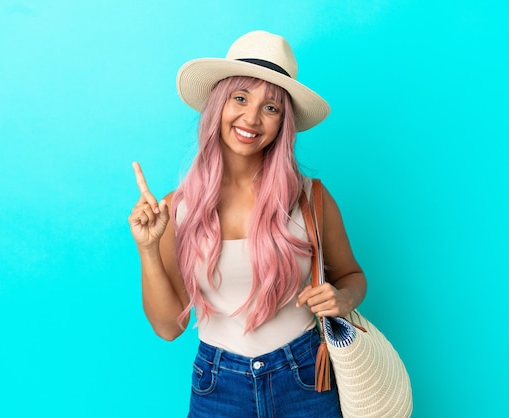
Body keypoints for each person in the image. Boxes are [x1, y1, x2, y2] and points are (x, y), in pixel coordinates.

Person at [128, 30, 367, 418]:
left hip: (305, 376)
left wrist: (343, 300)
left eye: (271, 108)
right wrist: (148, 249)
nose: (252, 118)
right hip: (218, 383)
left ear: (283, 124)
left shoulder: (311, 199)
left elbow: (353, 276)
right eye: (240, 98)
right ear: (218, 104)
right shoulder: (177, 208)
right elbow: (169, 328)